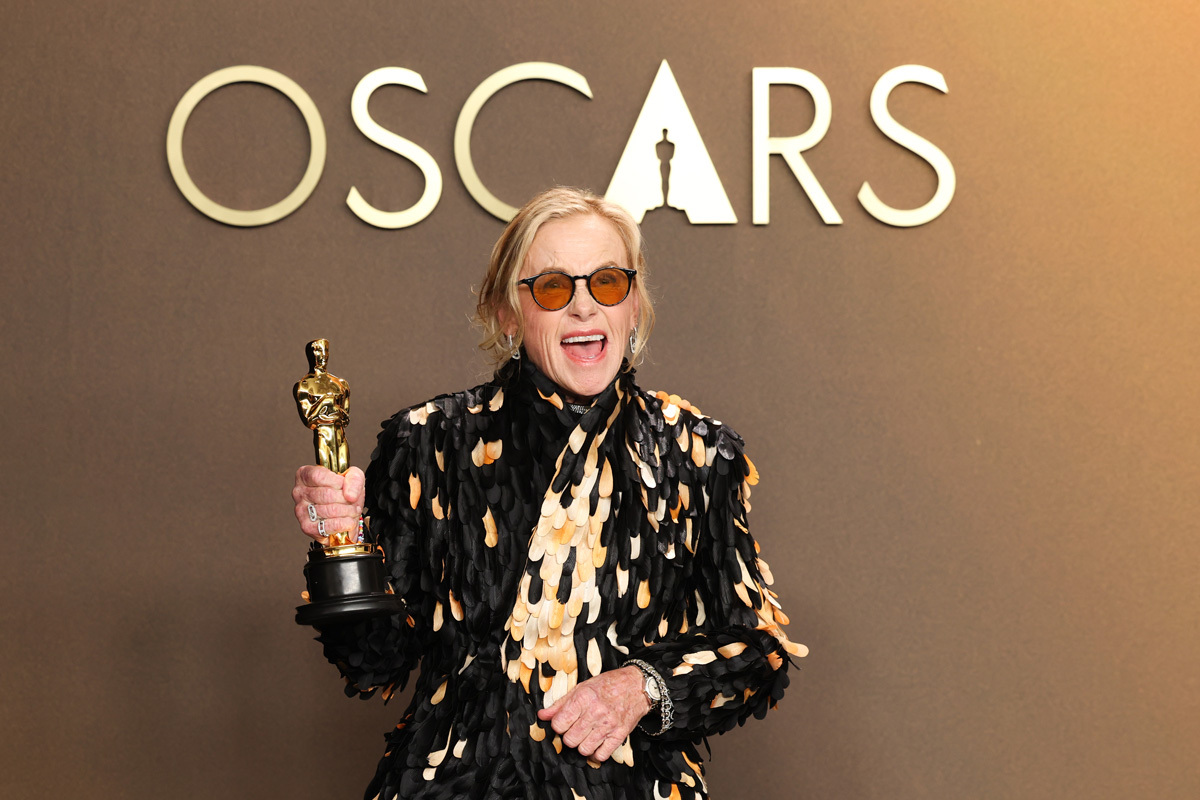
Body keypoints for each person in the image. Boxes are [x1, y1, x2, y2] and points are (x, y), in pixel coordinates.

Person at [291, 187, 807, 800]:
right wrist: (340, 542)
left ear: (634, 304)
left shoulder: (698, 455)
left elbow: (757, 646)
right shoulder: (427, 443)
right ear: (509, 313)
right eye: (555, 289)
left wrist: (641, 687)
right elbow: (374, 662)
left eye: (608, 283)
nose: (585, 309)